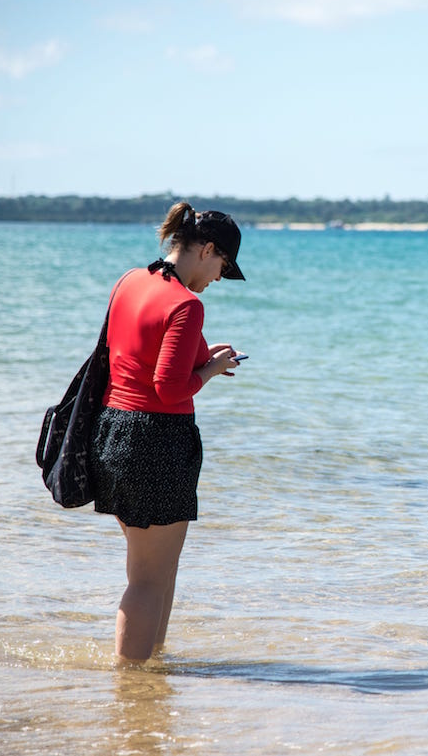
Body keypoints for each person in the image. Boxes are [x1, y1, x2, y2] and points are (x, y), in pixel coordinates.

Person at [89, 201, 246, 664]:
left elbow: (135, 355)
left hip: (113, 434)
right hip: (156, 440)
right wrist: (211, 371)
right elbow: (169, 387)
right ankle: (132, 685)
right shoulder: (187, 303)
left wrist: (201, 356)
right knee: (149, 579)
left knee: (155, 570)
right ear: (208, 250)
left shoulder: (131, 281)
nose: (219, 277)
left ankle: (150, 679)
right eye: (223, 266)